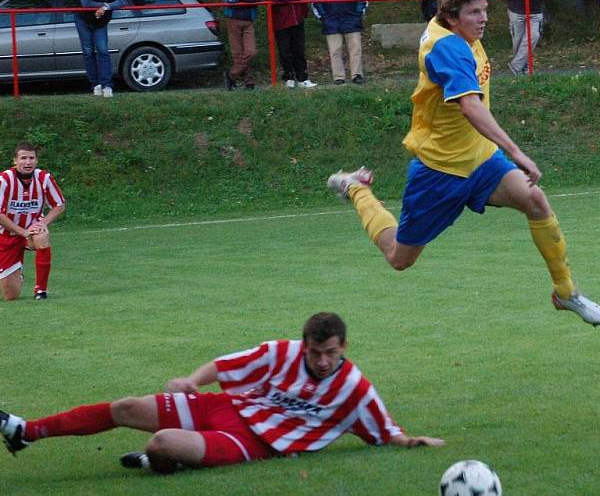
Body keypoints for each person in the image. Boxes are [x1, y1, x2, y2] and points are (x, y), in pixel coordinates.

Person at [326, 0, 600, 327]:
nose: (483, 18)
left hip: (479, 159)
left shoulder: (456, 21)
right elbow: (472, 109)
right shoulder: (447, 50)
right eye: (475, 13)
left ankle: (566, 293)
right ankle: (355, 187)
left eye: (485, 10)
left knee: (536, 200)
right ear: (452, 17)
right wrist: (516, 151)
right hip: (439, 170)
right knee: (399, 258)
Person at [1, 312, 444, 471]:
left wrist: (411, 441)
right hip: (226, 408)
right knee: (126, 406)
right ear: (304, 345)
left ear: (343, 347)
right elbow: (225, 365)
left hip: (252, 442)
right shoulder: (281, 352)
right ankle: (27, 430)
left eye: (329, 353)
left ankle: (163, 461)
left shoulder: (355, 390)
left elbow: (384, 430)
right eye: (315, 353)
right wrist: (193, 382)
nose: (322, 361)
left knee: (160, 443)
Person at [0, 142, 66, 301]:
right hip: (7, 235)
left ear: (36, 161)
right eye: (23, 158)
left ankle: (41, 290)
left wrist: (43, 223)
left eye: (31, 158)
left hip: (30, 232)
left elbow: (59, 205)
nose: (27, 162)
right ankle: (17, 272)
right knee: (11, 296)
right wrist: (21, 231)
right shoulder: (4, 179)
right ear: (15, 161)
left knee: (41, 236)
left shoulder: (44, 178)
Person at [311, 0, 368, 85]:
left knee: (355, 48)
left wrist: (358, 13)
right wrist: (323, 16)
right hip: (331, 19)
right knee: (335, 49)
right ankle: (338, 77)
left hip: (351, 18)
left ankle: (357, 75)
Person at [76, 0, 128, 98]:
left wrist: (106, 7)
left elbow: (123, 0)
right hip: (83, 20)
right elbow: (85, 3)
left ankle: (107, 85)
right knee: (88, 52)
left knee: (103, 51)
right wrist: (102, 6)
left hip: (101, 21)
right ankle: (95, 84)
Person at [264, 0, 316, 89]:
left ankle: (302, 77)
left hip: (297, 19)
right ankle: (288, 77)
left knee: (299, 49)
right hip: (281, 21)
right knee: (285, 50)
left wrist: (301, 1)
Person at [221, 0, 264, 90]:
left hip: (249, 19)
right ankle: (248, 82)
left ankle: (231, 75)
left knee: (250, 52)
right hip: (233, 19)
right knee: (238, 53)